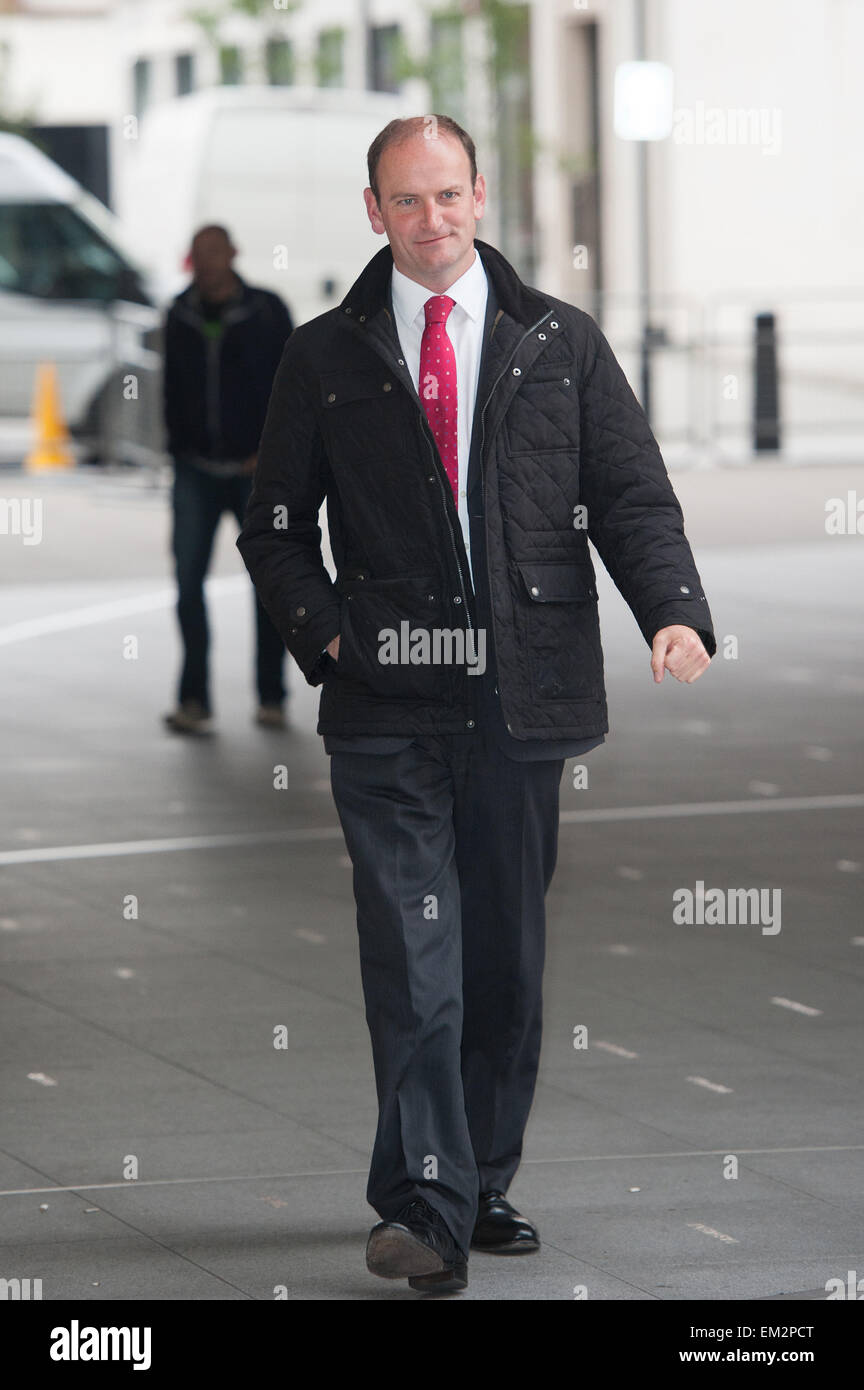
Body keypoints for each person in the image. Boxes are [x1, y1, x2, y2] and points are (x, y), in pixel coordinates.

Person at [236, 115, 715, 1294]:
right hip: (386, 703)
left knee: (500, 959)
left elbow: (633, 494)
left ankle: (477, 1175)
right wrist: (332, 632)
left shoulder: (561, 342)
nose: (432, 220)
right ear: (374, 212)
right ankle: (427, 1208)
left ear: (480, 195)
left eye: (448, 195)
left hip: (523, 697)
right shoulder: (324, 357)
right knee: (415, 952)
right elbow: (276, 530)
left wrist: (675, 610)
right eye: (407, 201)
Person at [162, 224, 294, 734]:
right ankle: (194, 700)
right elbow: (171, 388)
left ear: (234, 254)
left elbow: (292, 386)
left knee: (268, 585)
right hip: (194, 468)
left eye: (216, 253)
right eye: (200, 255)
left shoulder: (267, 311)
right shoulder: (179, 313)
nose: (209, 263)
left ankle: (273, 696)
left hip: (253, 471)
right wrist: (178, 449)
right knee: (187, 584)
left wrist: (272, 452)